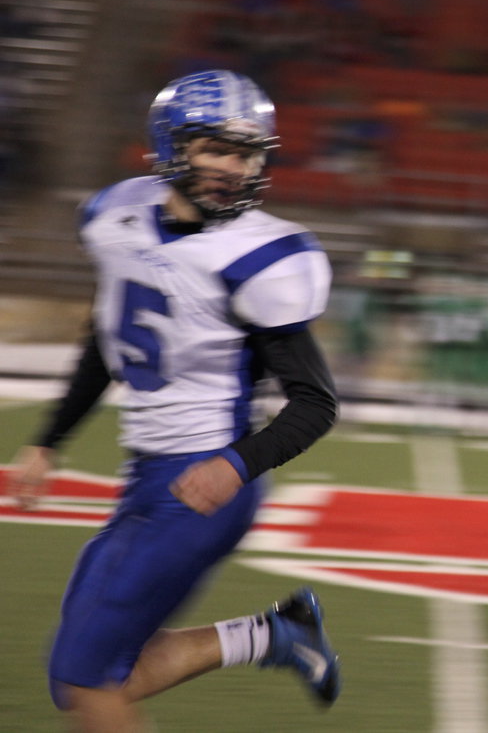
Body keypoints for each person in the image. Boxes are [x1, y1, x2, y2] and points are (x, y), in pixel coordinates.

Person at [7, 69, 343, 731]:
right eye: (215, 148)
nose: (230, 167)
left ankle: (278, 636)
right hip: (144, 478)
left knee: (85, 682)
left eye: (245, 154)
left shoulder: (258, 254)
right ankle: (276, 635)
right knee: (88, 679)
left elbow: (315, 403)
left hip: (200, 486)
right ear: (171, 145)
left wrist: (235, 465)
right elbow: (106, 342)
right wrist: (49, 441)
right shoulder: (118, 216)